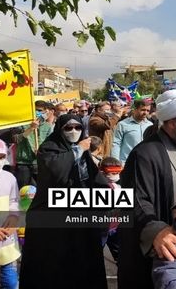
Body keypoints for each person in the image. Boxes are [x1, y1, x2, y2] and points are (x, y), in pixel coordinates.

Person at [118, 88, 176, 289]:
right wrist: (156, 230)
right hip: (161, 258)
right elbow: (135, 200)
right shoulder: (145, 154)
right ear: (172, 122)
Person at [19, 114, 110, 289]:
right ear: (60, 130)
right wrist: (77, 151)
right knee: (54, 269)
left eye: (77, 127)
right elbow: (57, 172)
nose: (74, 131)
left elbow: (93, 178)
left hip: (81, 218)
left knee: (84, 265)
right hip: (54, 223)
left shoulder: (83, 152)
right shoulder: (49, 148)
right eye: (68, 128)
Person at [0, 139, 20, 289]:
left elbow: (14, 202)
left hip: (7, 246)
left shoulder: (10, 178)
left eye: (1, 157)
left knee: (10, 284)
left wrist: (14, 218)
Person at [14, 100, 55, 187]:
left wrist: (42, 151)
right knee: (24, 191)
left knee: (40, 190)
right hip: (23, 163)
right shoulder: (22, 124)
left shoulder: (47, 126)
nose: (37, 112)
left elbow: (50, 144)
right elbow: (16, 139)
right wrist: (31, 128)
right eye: (35, 110)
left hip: (39, 163)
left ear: (45, 111)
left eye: (39, 110)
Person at [111, 99, 153, 163]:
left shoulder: (150, 125)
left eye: (148, 110)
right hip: (126, 163)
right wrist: (116, 162)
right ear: (135, 109)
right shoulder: (122, 124)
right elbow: (116, 143)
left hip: (145, 163)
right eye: (143, 110)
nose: (145, 113)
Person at [99, 156, 123, 263]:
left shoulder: (119, 186)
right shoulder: (99, 187)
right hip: (102, 228)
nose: (115, 176)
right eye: (111, 173)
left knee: (120, 256)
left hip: (116, 227)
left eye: (117, 173)